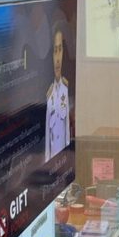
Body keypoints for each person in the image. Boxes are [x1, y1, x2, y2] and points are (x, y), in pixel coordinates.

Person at [44, 23, 72, 161]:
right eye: (55, 50)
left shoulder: (65, 87)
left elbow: (66, 128)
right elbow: (47, 139)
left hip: (63, 159)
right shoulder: (48, 94)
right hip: (52, 161)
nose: (57, 58)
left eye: (60, 50)